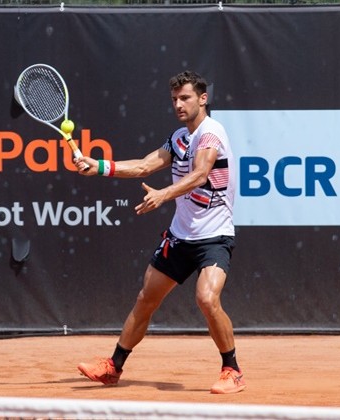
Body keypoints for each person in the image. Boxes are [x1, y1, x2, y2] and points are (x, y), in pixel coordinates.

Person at [73, 70, 245, 394]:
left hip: (215, 236)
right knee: (146, 300)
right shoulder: (178, 138)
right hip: (180, 236)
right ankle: (113, 367)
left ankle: (232, 370)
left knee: (207, 299)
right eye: (174, 99)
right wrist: (97, 166)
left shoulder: (212, 133)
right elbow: (143, 165)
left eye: (185, 98)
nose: (179, 104)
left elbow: (200, 174)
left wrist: (163, 195)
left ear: (203, 99)